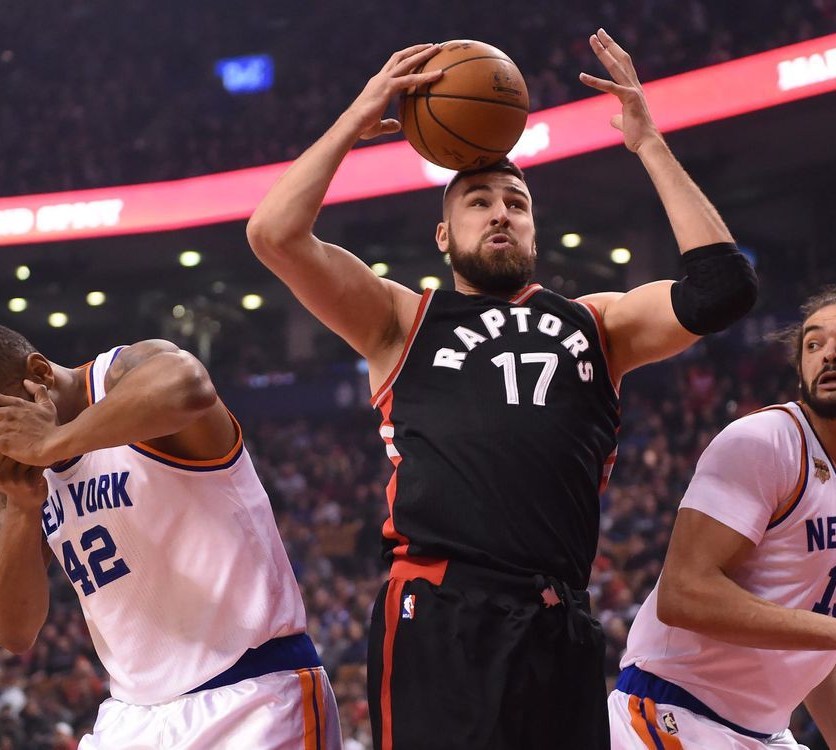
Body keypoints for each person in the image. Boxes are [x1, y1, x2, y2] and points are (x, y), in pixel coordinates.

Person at [246, 28, 757, 750]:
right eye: (478, 201)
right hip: (440, 611)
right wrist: (356, 122)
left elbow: (722, 289)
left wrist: (649, 144)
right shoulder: (401, 318)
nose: (499, 213)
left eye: (515, 202)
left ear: (534, 230)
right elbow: (274, 233)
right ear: (443, 236)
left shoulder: (596, 323)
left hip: (560, 620)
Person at [0, 324, 341, 749]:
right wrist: (21, 508)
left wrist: (53, 441)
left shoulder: (120, 375)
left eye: (2, 424)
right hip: (131, 717)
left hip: (251, 696)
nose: (0, 452)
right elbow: (13, 632)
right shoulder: (16, 475)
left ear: (40, 373)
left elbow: (190, 385)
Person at [609, 288, 836, 750]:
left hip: (767, 734)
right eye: (813, 345)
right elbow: (682, 594)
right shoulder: (765, 441)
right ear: (801, 369)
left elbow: (818, 632)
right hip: (674, 713)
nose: (829, 353)